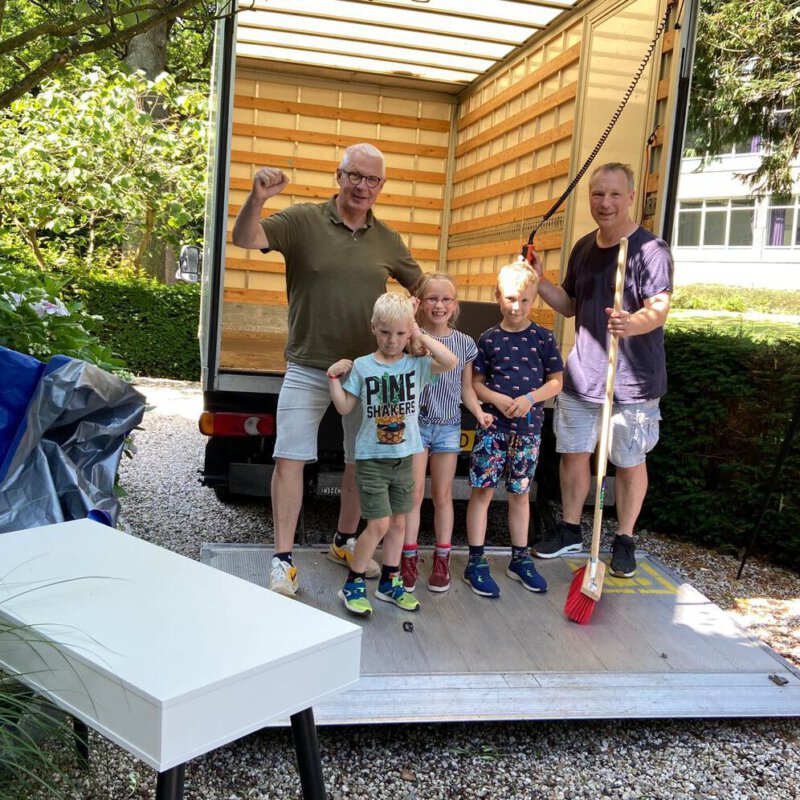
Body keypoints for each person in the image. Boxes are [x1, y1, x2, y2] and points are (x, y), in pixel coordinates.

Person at [231, 143, 423, 596]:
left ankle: (343, 540)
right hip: (307, 365)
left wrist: (422, 321)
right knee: (289, 459)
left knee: (363, 464)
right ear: (339, 176)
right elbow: (245, 237)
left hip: (368, 373)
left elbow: (423, 286)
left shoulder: (388, 239)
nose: (362, 186)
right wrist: (257, 198)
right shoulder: (301, 221)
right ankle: (282, 562)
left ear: (382, 186)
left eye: (372, 179)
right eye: (354, 175)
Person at [530, 162, 673, 578]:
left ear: (631, 197)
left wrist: (634, 323)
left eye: (614, 194)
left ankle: (625, 538)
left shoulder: (650, 250)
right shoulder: (583, 248)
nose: (605, 203)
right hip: (583, 375)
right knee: (573, 455)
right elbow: (571, 305)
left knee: (628, 459)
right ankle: (571, 528)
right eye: (597, 194)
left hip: (633, 381)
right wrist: (542, 283)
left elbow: (660, 308)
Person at [327, 292, 457, 617]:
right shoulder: (362, 366)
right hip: (371, 460)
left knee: (400, 522)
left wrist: (417, 331)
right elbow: (344, 408)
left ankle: (390, 581)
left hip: (406, 458)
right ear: (374, 328)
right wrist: (333, 378)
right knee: (379, 525)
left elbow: (451, 361)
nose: (392, 340)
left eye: (400, 334)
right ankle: (353, 584)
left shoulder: (416, 366)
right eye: (385, 332)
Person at [463, 261, 564, 598]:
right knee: (482, 492)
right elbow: (475, 383)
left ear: (534, 300)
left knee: (520, 495)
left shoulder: (543, 338)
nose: (516, 307)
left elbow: (556, 383)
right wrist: (498, 398)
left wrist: (530, 398)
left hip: (528, 431)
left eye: (524, 300)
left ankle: (519, 558)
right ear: (497, 298)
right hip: (493, 429)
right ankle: (475, 561)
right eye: (509, 299)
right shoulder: (488, 339)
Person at [400, 273, 493, 593]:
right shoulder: (413, 335)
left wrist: (479, 411)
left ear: (455, 305)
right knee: (413, 496)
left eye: (446, 299)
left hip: (449, 426)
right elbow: (412, 352)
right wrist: (410, 321)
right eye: (431, 299)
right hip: (416, 424)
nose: (439, 305)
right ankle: (408, 558)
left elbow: (466, 388)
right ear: (421, 304)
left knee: (442, 495)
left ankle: (442, 559)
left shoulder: (465, 343)